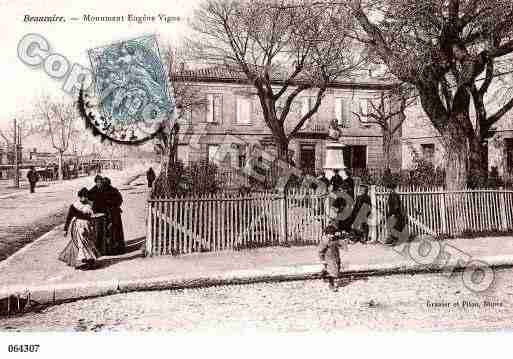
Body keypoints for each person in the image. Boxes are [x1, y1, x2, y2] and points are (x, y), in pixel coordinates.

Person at [58, 188, 100, 269]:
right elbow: (69, 217)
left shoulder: (89, 204)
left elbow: (93, 215)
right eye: (82, 197)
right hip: (79, 226)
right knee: (82, 243)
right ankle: (87, 261)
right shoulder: (74, 206)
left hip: (88, 226)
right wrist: (65, 229)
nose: (84, 198)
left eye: (86, 197)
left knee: (88, 243)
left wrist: (93, 221)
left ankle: (90, 261)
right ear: (79, 197)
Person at [318, 223, 347, 292]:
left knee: (337, 268)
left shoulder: (335, 239)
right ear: (326, 234)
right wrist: (322, 260)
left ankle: (324, 272)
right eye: (330, 234)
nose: (331, 235)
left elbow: (341, 245)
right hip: (328, 258)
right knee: (333, 271)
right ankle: (331, 285)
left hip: (336, 256)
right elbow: (320, 251)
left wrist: (343, 242)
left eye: (333, 234)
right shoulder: (325, 241)